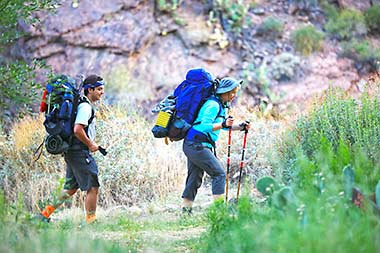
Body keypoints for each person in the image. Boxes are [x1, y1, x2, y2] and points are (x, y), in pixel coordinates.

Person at [38, 74, 105, 224]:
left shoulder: (82, 105)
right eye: (99, 89)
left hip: (72, 151)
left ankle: (44, 215)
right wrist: (90, 145)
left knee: (70, 188)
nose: (102, 92)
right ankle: (91, 221)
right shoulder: (85, 107)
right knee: (93, 186)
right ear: (90, 90)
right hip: (79, 152)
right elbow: (77, 129)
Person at [181, 77, 250, 214]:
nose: (233, 96)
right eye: (231, 92)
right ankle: (220, 212)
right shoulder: (213, 105)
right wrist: (223, 124)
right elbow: (205, 126)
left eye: (235, 92)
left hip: (196, 144)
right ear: (223, 92)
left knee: (194, 178)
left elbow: (222, 127)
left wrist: (239, 127)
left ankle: (185, 212)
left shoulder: (221, 105)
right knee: (218, 173)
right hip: (196, 144)